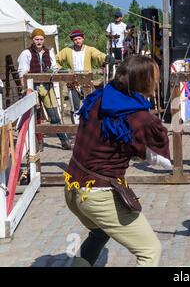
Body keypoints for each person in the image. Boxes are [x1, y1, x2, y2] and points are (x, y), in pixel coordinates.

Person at [64, 55, 171, 267]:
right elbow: (160, 160)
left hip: (72, 187)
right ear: (144, 81)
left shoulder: (99, 97)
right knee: (150, 250)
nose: (157, 82)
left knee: (99, 233)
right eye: (155, 77)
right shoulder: (139, 118)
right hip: (97, 196)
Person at [17, 28, 71, 150]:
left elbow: (54, 67)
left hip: (46, 87)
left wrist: (58, 70)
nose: (39, 41)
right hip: (32, 88)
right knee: (35, 117)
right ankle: (38, 143)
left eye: (41, 39)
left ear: (44, 40)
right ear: (33, 39)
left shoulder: (49, 52)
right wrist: (26, 89)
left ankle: (64, 141)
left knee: (54, 115)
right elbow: (22, 73)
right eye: (37, 39)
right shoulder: (26, 53)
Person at [56, 30, 107, 124]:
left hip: (86, 80)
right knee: (74, 106)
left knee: (90, 104)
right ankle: (75, 129)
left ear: (83, 39)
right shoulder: (67, 50)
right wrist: (60, 69)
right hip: (73, 81)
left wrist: (106, 58)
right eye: (75, 39)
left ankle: (89, 127)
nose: (77, 41)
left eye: (79, 39)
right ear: (72, 40)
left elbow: (98, 55)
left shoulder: (89, 49)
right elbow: (55, 59)